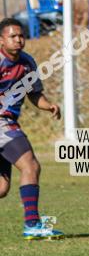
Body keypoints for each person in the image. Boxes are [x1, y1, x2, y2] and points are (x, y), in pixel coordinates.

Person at [0, 18, 63, 239]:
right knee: (31, 165)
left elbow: (33, 93)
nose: (18, 40)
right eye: (12, 36)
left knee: (1, 188)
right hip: (2, 124)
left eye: (21, 36)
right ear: (1, 40)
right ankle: (33, 224)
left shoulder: (27, 63)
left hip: (7, 124)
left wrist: (48, 106)